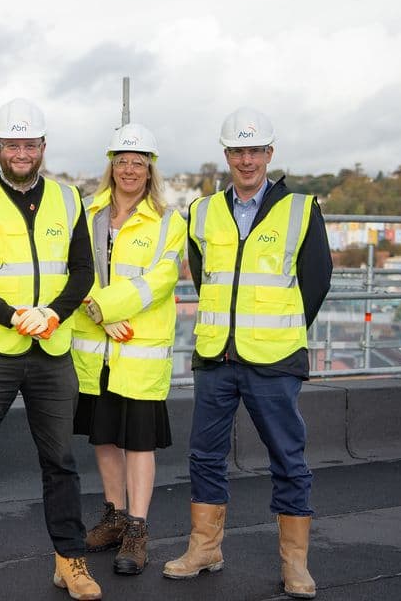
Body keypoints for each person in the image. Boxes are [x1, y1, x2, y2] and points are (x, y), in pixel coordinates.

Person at [163, 107, 332, 599]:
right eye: (237, 150)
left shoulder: (300, 208)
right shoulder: (203, 210)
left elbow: (316, 282)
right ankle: (205, 548)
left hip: (273, 360)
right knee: (204, 455)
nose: (246, 159)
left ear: (269, 154)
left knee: (287, 457)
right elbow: (201, 273)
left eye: (254, 150)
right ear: (226, 155)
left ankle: (294, 564)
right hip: (216, 356)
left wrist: (278, 333)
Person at [0, 98, 101, 601]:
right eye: (13, 144)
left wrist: (51, 313)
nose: (22, 152)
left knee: (61, 463)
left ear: (43, 147)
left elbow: (83, 273)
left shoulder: (70, 200)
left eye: (31, 144)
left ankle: (70, 560)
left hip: (51, 350)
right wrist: (12, 315)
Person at [71, 123, 186, 576]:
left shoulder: (168, 223)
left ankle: (137, 529)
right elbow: (74, 271)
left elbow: (158, 282)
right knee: (103, 437)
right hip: (95, 351)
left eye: (138, 161)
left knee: (138, 443)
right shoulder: (87, 213)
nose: (129, 169)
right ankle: (115, 517)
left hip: (137, 351)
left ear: (150, 168)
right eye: (122, 160)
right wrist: (99, 313)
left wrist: (104, 307)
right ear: (111, 165)